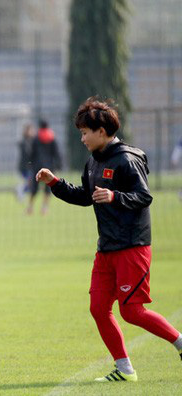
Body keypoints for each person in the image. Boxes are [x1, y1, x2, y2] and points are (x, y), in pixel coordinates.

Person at [36, 97, 182, 383]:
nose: (82, 138)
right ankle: (125, 369)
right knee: (98, 308)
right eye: (80, 132)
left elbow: (144, 196)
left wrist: (115, 196)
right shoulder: (93, 162)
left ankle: (179, 342)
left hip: (132, 247)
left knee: (131, 311)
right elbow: (84, 196)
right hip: (106, 248)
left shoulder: (127, 159)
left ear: (101, 131)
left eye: (85, 132)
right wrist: (55, 183)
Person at [27, 119, 61, 215]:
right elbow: (56, 153)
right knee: (48, 188)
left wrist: (30, 164)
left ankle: (30, 208)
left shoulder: (36, 138)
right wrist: (58, 165)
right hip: (49, 167)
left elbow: (32, 153)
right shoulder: (52, 137)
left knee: (34, 188)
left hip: (37, 166)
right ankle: (44, 209)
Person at [16, 123, 34, 202]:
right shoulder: (24, 142)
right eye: (30, 130)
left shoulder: (32, 141)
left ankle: (21, 191)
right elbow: (27, 153)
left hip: (29, 166)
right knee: (30, 182)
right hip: (25, 167)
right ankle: (20, 190)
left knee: (31, 182)